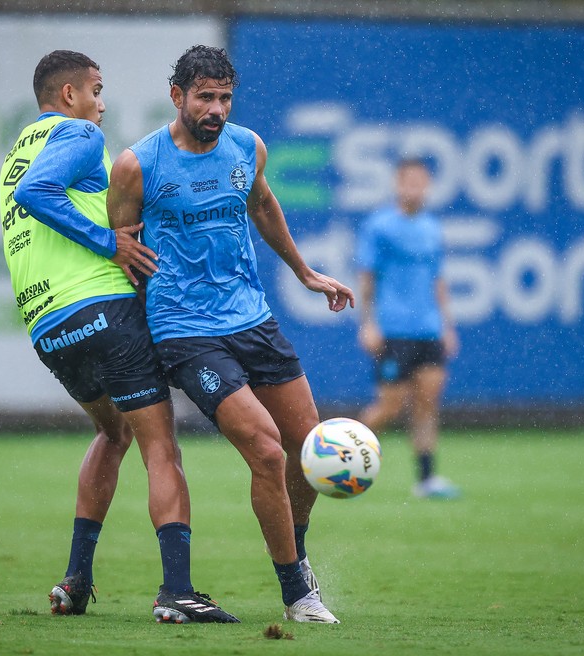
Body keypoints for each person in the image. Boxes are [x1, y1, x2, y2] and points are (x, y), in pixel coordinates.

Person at [108, 45, 354, 624]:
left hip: (252, 318)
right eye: (205, 98)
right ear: (177, 97)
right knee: (267, 452)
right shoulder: (137, 165)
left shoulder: (248, 146)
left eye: (224, 98)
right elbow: (122, 247)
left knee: (310, 449)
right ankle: (298, 592)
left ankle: (295, 552)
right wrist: (144, 325)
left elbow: (263, 204)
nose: (216, 110)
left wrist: (305, 272)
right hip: (185, 331)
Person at [0, 49, 239, 624]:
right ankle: (176, 592)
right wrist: (110, 244)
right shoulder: (79, 136)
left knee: (113, 433)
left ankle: (77, 580)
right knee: (162, 446)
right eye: (96, 90)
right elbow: (40, 195)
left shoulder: (16, 153)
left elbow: (25, 196)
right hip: (103, 310)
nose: (101, 104)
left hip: (49, 326)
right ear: (68, 96)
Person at [356, 158, 461, 500]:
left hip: (429, 329)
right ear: (397, 185)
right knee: (390, 407)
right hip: (394, 329)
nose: (415, 187)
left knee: (428, 403)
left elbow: (439, 279)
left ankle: (427, 478)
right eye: (409, 181)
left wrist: (447, 325)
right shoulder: (379, 226)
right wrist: (368, 322)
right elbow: (367, 277)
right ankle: (338, 457)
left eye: (421, 181)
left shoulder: (432, 228)